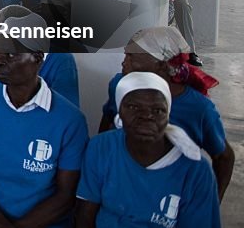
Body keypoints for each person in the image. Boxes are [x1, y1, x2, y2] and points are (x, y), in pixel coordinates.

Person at [0, 9, 88, 228]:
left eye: (11, 54)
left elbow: (65, 196)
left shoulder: (69, 119)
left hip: (44, 223)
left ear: (37, 58)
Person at [76, 72, 221, 228]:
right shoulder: (101, 147)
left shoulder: (196, 171)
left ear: (168, 115)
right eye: (133, 107)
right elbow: (84, 219)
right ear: (119, 111)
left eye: (158, 110)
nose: (146, 116)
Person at [98, 26, 234, 199]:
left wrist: (212, 202)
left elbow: (224, 157)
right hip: (121, 188)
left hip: (169, 197)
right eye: (126, 55)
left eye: (132, 57)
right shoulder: (119, 85)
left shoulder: (197, 108)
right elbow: (107, 122)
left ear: (161, 65)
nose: (124, 62)